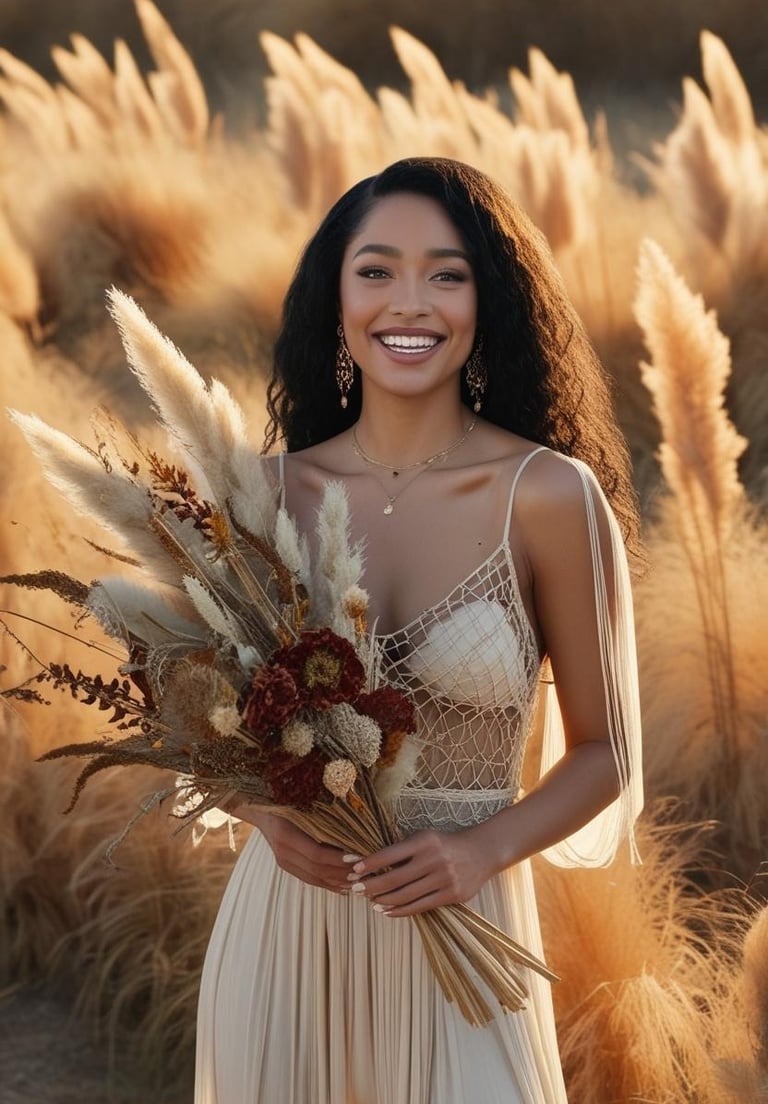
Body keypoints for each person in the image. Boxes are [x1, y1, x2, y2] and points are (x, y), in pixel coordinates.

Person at [194, 157, 643, 1103]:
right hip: (288, 941)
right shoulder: (262, 495)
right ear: (336, 299)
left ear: (487, 304)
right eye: (377, 271)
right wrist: (263, 818)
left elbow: (605, 753)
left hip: (466, 944)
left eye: (447, 274)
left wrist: (480, 851)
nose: (410, 303)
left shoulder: (548, 496)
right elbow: (195, 712)